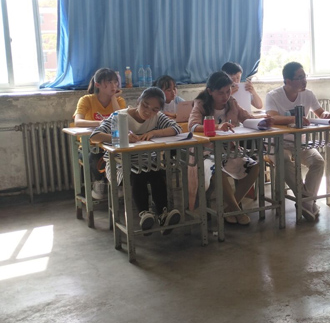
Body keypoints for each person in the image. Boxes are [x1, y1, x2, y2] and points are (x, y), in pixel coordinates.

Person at [90, 87, 183, 235]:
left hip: (147, 163)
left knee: (157, 173)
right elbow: (95, 136)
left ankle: (163, 214)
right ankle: (144, 214)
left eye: (154, 109)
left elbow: (176, 129)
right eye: (145, 105)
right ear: (138, 101)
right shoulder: (120, 116)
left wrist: (154, 132)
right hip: (120, 165)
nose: (148, 112)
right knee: (137, 174)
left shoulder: (157, 117)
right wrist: (121, 137)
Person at [187, 71, 262, 226]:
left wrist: (262, 122)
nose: (225, 96)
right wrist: (216, 126)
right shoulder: (201, 104)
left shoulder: (231, 103)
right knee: (217, 171)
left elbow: (246, 117)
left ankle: (230, 208)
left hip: (229, 150)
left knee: (254, 166)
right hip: (206, 153)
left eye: (228, 91)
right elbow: (193, 126)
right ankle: (236, 210)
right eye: (220, 93)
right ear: (210, 91)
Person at [265, 62, 330, 221]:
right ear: (288, 81)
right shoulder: (273, 95)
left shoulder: (308, 94)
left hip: (299, 143)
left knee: (318, 162)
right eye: (300, 77)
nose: (304, 80)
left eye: (305, 76)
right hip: (276, 144)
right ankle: (307, 202)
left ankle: (305, 202)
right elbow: (273, 117)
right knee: (283, 160)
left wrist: (325, 114)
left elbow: (320, 112)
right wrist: (293, 118)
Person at [73, 68, 128, 200]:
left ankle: (119, 184)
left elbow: (121, 120)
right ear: (97, 84)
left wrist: (113, 98)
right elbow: (78, 121)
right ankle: (99, 183)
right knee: (96, 156)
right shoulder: (87, 100)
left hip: (112, 143)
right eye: (109, 82)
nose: (113, 86)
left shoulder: (119, 101)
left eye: (115, 82)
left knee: (124, 154)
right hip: (91, 145)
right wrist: (100, 123)